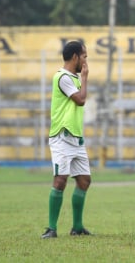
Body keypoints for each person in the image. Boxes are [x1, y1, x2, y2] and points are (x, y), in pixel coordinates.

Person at [41, 40, 92, 239]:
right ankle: (51, 228)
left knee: (84, 180)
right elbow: (80, 100)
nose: (86, 62)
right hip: (62, 136)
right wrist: (86, 78)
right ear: (75, 57)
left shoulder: (72, 78)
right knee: (60, 179)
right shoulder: (62, 77)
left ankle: (77, 227)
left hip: (76, 137)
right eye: (84, 57)